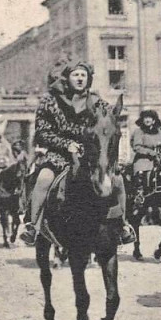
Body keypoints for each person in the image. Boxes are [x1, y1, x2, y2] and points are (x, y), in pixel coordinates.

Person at [20, 61, 126, 246]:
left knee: (117, 180)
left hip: (90, 156)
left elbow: (108, 123)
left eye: (83, 75)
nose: (80, 79)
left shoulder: (97, 102)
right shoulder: (50, 101)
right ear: (67, 78)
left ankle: (123, 225)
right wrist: (66, 144)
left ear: (88, 79)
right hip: (59, 156)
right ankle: (33, 225)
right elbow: (42, 132)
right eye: (75, 75)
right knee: (44, 178)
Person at [130, 109, 161, 195]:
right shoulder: (139, 132)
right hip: (143, 159)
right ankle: (140, 194)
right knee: (141, 172)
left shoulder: (160, 131)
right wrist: (150, 152)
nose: (147, 120)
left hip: (160, 159)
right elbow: (137, 147)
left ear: (154, 120)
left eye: (149, 118)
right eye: (145, 118)